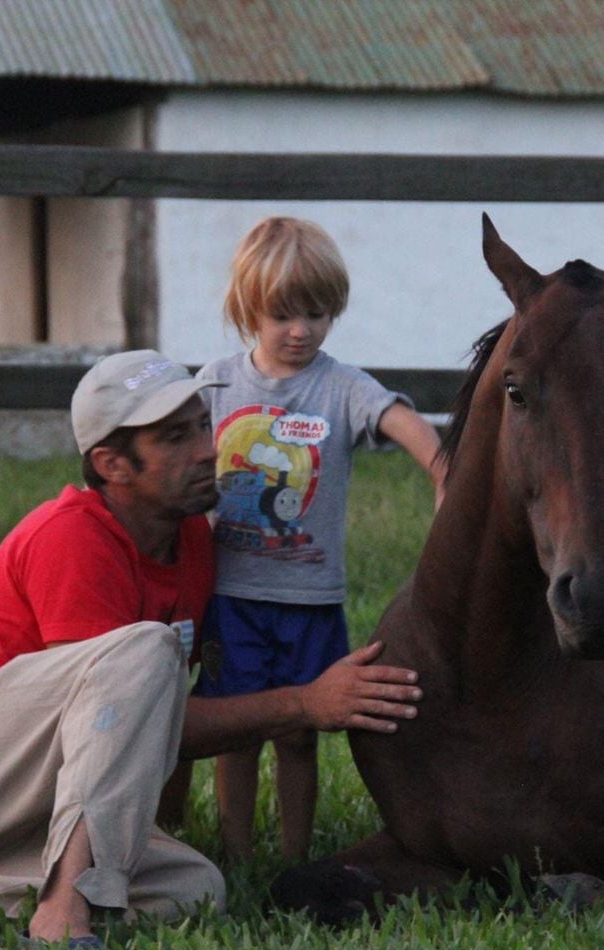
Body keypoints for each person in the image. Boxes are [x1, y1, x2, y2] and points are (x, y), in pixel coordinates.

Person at [0, 348, 425, 949]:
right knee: (143, 650)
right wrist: (306, 704)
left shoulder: (194, 540)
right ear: (113, 466)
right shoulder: (72, 538)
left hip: (38, 813)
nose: (208, 450)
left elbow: (136, 732)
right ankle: (62, 915)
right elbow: (123, 714)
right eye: (176, 437)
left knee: (196, 889)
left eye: (203, 425)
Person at [178, 216, 445, 863]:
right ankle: (237, 854)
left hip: (311, 599)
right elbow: (175, 452)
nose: (301, 330)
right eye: (283, 315)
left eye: (318, 313)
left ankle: (296, 858)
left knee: (300, 733)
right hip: (233, 595)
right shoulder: (216, 384)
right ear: (249, 311)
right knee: (237, 731)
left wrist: (443, 471)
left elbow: (399, 419)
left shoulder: (341, 386)